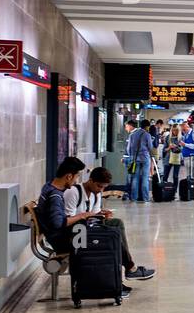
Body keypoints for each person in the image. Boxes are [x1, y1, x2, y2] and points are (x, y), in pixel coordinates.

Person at [37, 157, 132, 299]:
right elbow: (59, 223)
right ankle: (112, 283)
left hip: (64, 235)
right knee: (108, 238)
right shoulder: (55, 196)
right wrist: (83, 216)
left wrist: (89, 216)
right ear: (69, 176)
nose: (76, 181)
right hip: (64, 239)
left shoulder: (49, 187)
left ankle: (117, 279)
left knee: (112, 232)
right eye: (76, 177)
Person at [64, 167, 155, 281]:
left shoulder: (96, 194)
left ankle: (129, 268)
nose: (101, 190)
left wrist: (100, 214)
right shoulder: (73, 192)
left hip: (88, 227)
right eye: (99, 186)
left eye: (104, 187)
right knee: (112, 236)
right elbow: (67, 220)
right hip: (77, 234)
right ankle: (130, 268)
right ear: (90, 180)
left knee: (117, 223)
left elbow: (93, 214)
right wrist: (85, 215)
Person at [125, 119, 155, 202]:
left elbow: (128, 148)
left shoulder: (132, 135)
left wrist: (131, 156)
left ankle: (134, 198)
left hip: (135, 159)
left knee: (135, 178)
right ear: (147, 126)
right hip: (145, 158)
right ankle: (145, 198)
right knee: (145, 178)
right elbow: (150, 147)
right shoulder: (147, 135)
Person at [163, 124, 184, 188]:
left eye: (176, 130)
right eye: (173, 130)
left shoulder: (181, 138)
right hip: (168, 158)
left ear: (179, 131)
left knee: (175, 176)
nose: (175, 132)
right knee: (165, 175)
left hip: (177, 158)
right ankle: (164, 189)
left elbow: (183, 149)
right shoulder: (168, 137)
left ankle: (174, 189)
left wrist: (177, 147)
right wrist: (169, 147)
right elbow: (164, 150)